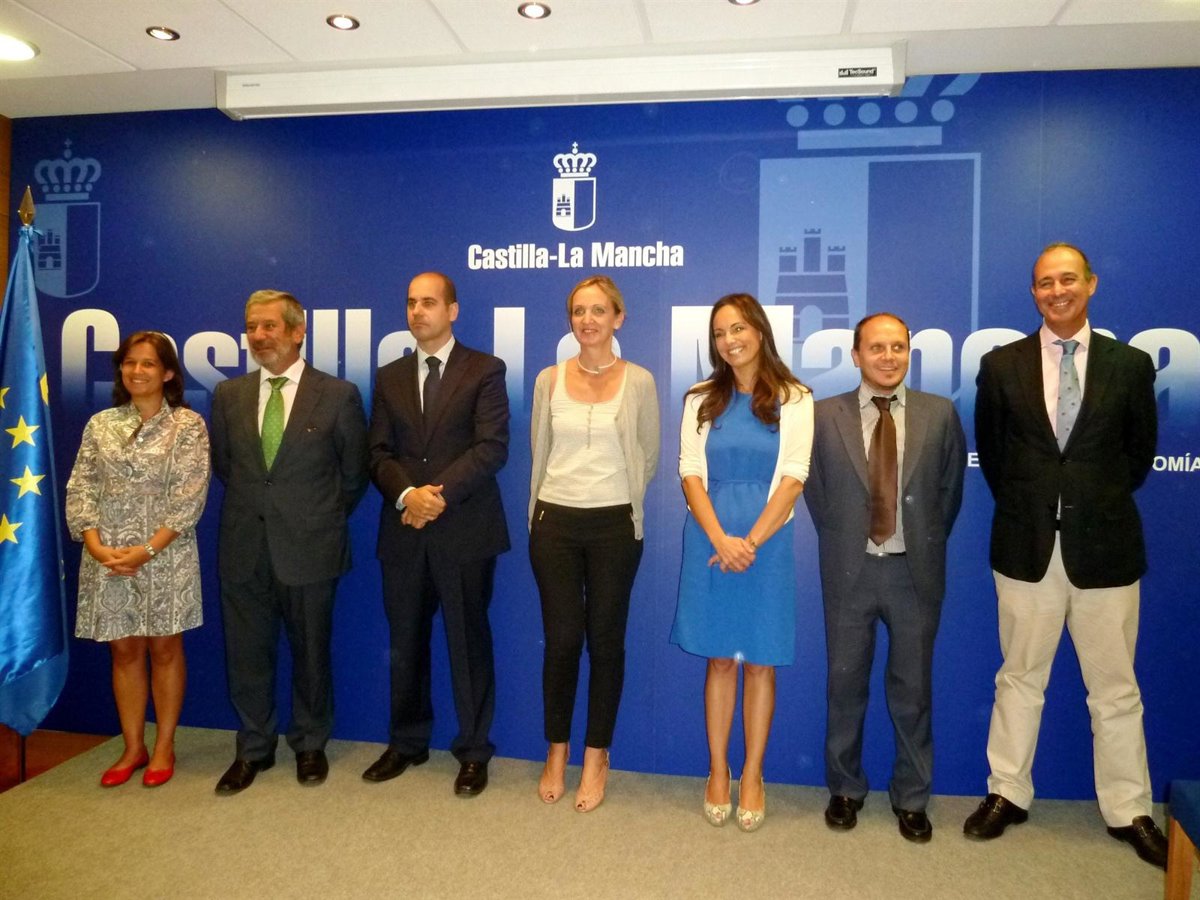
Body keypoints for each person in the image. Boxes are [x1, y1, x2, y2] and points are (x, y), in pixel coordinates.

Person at [964, 243, 1166, 869]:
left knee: (1116, 689)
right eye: (1045, 282)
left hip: (1106, 549)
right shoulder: (1001, 365)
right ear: (1034, 293)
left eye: (1068, 280)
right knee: (1019, 677)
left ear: (1091, 284)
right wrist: (1037, 506)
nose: (1057, 291)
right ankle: (1007, 791)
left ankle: (1129, 809)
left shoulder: (1131, 365)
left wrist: (1086, 504)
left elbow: (1138, 457)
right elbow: (995, 457)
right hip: (1025, 547)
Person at [803, 313, 966, 843]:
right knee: (844, 685)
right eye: (877, 347)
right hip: (849, 571)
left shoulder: (939, 413)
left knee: (913, 690)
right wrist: (848, 537)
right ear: (856, 355)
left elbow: (948, 494)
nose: (888, 357)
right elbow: (816, 494)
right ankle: (845, 789)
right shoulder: (823, 416)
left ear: (908, 353)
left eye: (898, 347)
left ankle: (912, 797)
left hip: (913, 573)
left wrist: (918, 541)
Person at [210, 290, 368, 794]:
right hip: (245, 546)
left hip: (311, 546)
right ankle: (253, 748)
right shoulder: (228, 395)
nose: (259, 336)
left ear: (298, 332)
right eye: (251, 327)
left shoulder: (338, 394)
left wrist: (312, 518)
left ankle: (310, 744)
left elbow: (354, 475)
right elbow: (227, 467)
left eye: (269, 326)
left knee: (312, 653)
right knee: (247, 655)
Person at [364, 271, 510, 797]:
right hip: (404, 530)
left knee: (468, 643)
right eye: (411, 302)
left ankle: (473, 751)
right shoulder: (389, 376)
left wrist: (434, 498)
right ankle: (408, 742)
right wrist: (408, 495)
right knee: (405, 641)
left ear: (452, 310)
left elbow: (491, 448)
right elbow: (377, 452)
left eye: (429, 302)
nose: (417, 311)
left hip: (465, 529)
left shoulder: (485, 369)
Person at [670, 293, 813, 832]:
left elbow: (795, 477)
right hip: (710, 540)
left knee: (759, 662)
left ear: (759, 331)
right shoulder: (701, 398)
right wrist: (721, 539)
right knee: (720, 660)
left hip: (767, 542)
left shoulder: (796, 397)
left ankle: (753, 773)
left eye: (738, 329)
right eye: (719, 333)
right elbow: (690, 473)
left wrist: (748, 542)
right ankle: (718, 770)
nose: (729, 341)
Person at [528, 275, 660, 812]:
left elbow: (647, 455)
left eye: (599, 310)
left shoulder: (640, 381)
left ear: (618, 318)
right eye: (579, 311)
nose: (588, 320)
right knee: (562, 642)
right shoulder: (549, 379)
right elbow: (540, 450)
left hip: (614, 526)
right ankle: (556, 750)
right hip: (554, 522)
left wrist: (616, 501)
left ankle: (596, 754)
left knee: (606, 643)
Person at [66, 331, 210, 788]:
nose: (137, 371)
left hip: (166, 553)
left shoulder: (188, 425)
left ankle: (164, 745)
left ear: (167, 373)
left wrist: (148, 550)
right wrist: (95, 546)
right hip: (108, 555)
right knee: (124, 650)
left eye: (148, 363)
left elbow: (189, 496)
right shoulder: (100, 424)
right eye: (129, 362)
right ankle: (133, 746)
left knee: (164, 649)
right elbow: (82, 487)